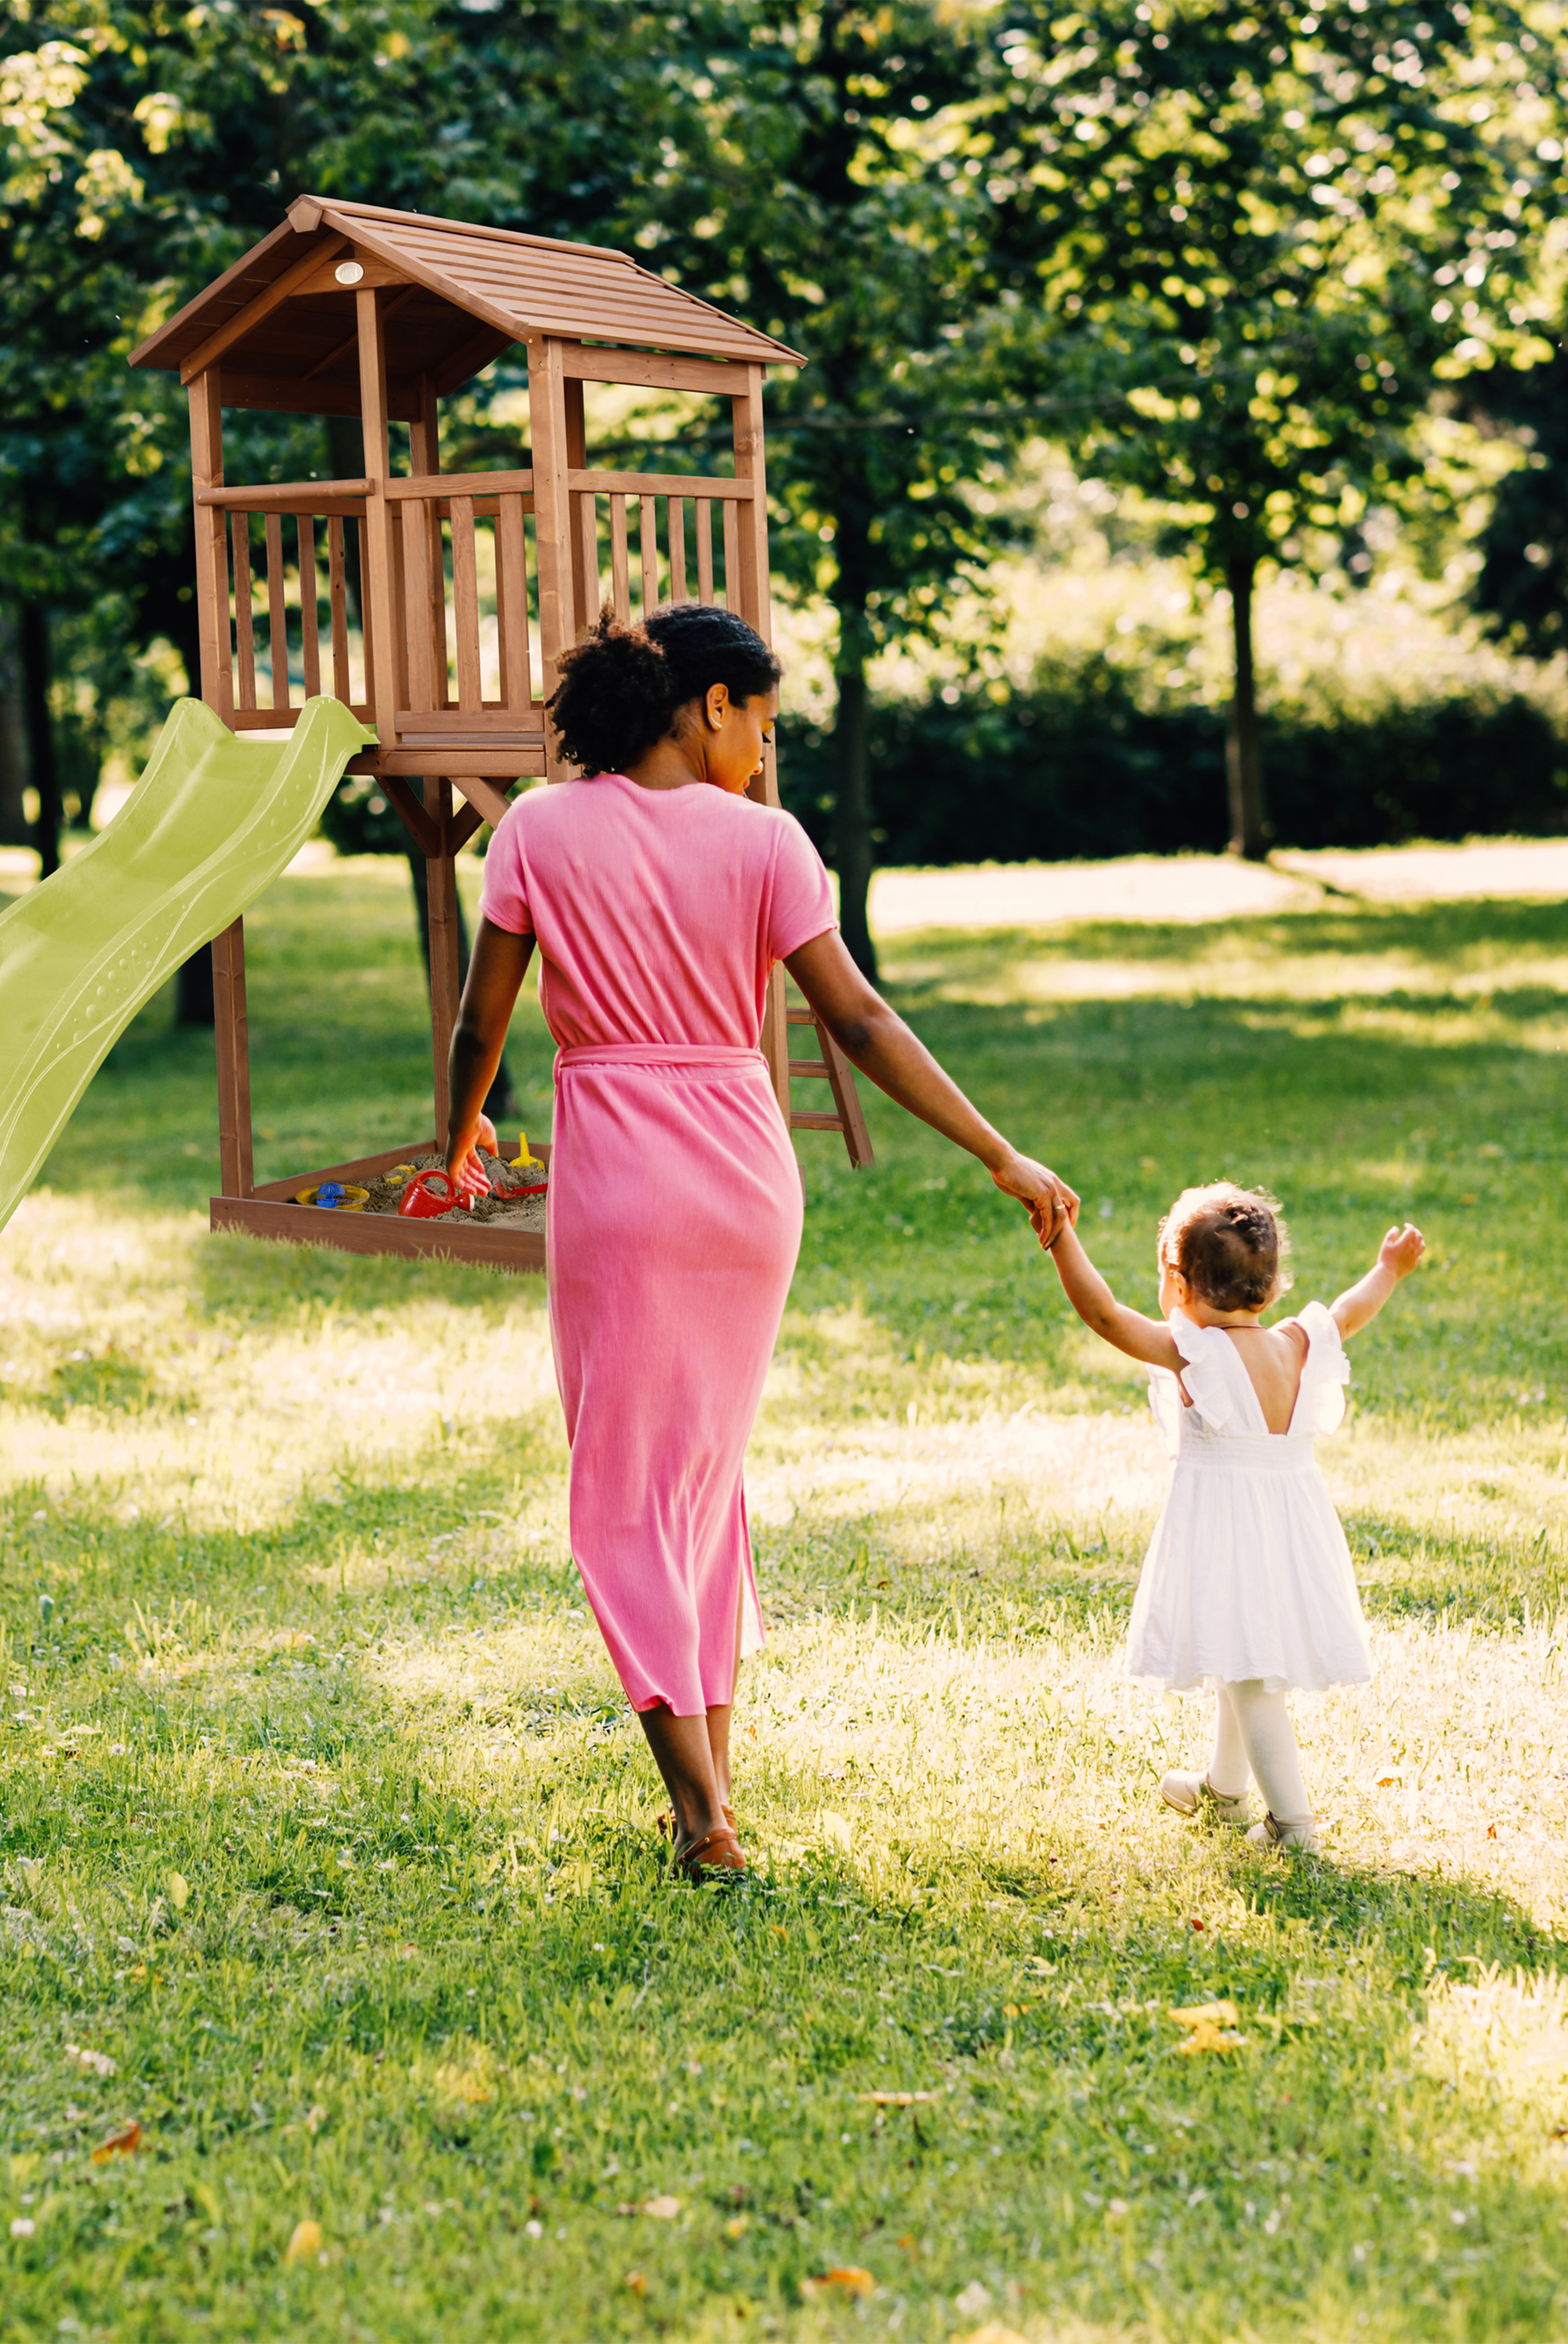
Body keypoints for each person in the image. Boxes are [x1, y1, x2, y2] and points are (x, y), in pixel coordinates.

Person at [441, 605, 1078, 1879]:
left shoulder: (536, 829)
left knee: (625, 1494)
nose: (767, 756)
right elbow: (859, 1022)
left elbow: (481, 1024)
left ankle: (699, 1815)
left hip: (620, 1182)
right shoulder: (770, 845)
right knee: (699, 1485)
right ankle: (711, 1793)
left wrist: (453, 1140)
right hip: (744, 1182)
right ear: (708, 705)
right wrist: (997, 1149)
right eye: (764, 726)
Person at [1043, 1181, 1427, 1851]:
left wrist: (1060, 1237)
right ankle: (1224, 1790)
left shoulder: (1195, 1353)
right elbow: (1350, 1309)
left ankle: (1293, 1827)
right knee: (1236, 1653)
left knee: (1251, 1680)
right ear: (1272, 1287)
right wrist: (1388, 1269)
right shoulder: (1298, 1342)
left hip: (1229, 1533)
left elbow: (1104, 1315)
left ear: (1179, 1285)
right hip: (1290, 1530)